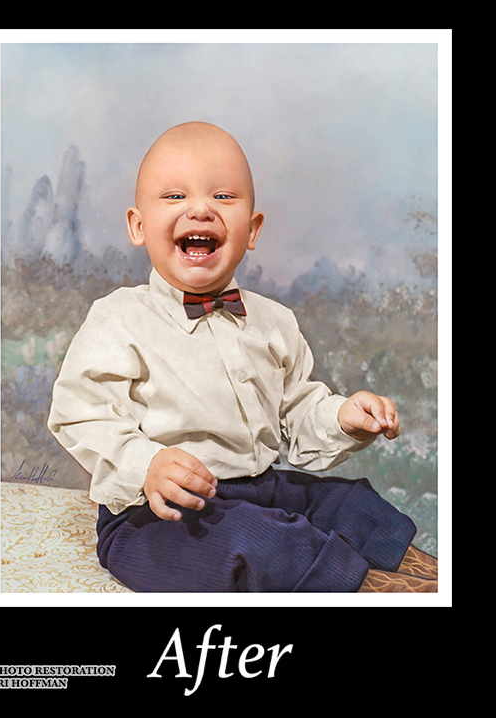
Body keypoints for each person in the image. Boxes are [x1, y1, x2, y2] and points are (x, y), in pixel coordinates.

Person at [48, 122, 436, 592]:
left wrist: (341, 417)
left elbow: (297, 410)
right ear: (138, 225)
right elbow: (80, 416)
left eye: (224, 197)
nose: (201, 210)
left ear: (251, 230)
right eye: (174, 197)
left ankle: (424, 574)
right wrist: (145, 463)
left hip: (261, 487)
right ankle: (367, 589)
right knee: (257, 540)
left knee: (349, 503)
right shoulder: (119, 318)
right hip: (157, 513)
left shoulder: (274, 322)